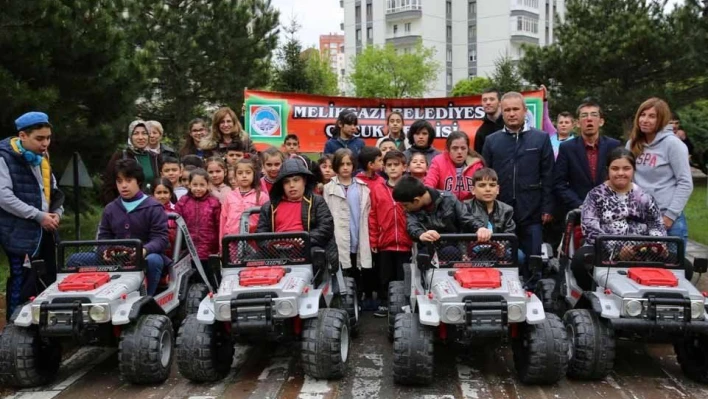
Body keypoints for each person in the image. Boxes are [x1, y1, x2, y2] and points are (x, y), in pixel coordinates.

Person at [482, 92, 554, 281]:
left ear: (524, 111)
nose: (512, 113)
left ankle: (533, 294)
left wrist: (547, 207)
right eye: (507, 110)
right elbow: (485, 177)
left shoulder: (541, 138)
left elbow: (548, 176)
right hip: (500, 213)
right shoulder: (492, 141)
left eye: (515, 109)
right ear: (502, 112)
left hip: (532, 211)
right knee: (502, 259)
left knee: (533, 260)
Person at [0, 112, 63, 319]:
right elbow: (4, 197)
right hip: (20, 234)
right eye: (39, 138)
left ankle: (45, 329)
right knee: (23, 282)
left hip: (45, 231)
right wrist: (38, 216)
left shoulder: (42, 158)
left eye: (48, 138)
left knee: (48, 280)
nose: (45, 143)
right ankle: (14, 329)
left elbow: (52, 190)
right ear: (22, 136)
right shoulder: (4, 157)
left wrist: (56, 213)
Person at [574, 148, 665, 290]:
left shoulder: (645, 197)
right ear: (608, 170)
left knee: (684, 265)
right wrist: (616, 250)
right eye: (615, 169)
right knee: (581, 260)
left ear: (633, 170)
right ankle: (591, 296)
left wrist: (657, 243)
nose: (621, 173)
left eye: (626, 168)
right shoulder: (595, 196)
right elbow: (590, 229)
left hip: (642, 248)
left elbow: (656, 224)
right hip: (602, 248)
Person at [627, 98, 693, 247]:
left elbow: (685, 183)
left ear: (662, 119)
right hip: (639, 219)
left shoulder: (673, 144)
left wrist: (669, 217)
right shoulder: (632, 144)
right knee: (640, 269)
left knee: (671, 270)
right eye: (642, 115)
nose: (645, 120)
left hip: (668, 221)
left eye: (652, 116)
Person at [98, 159, 169, 295]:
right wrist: (105, 251)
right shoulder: (110, 209)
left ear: (138, 181)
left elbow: (160, 238)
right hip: (116, 257)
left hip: (145, 256)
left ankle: (147, 297)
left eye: (128, 180)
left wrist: (145, 250)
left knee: (153, 260)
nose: (124, 186)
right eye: (119, 181)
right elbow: (104, 237)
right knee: (77, 259)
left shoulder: (153, 207)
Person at [256, 158, 337, 267]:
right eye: (286, 182)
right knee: (247, 262)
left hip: (307, 248)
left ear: (304, 181)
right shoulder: (269, 206)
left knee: (317, 255)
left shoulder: (317, 201)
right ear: (281, 185)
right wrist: (272, 246)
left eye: (296, 180)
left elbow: (326, 228)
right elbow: (261, 233)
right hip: (275, 253)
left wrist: (303, 240)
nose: (291, 185)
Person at [554, 101, 621, 214]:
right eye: (584, 115)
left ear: (601, 122)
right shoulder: (567, 148)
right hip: (578, 211)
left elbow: (621, 178)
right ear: (578, 123)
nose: (589, 119)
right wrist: (580, 204)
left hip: (610, 210)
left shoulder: (614, 146)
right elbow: (559, 183)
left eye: (594, 115)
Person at [323, 149, 372, 302]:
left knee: (359, 268)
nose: (345, 167)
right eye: (342, 164)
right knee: (342, 269)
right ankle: (345, 302)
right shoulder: (328, 188)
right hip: (338, 238)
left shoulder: (362, 188)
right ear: (336, 166)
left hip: (358, 234)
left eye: (348, 164)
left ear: (353, 165)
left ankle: (360, 300)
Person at [392, 176, 490, 251]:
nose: (404, 209)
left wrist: (480, 228)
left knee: (450, 251)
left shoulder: (449, 198)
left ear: (416, 200)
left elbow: (466, 217)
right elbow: (412, 226)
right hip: (429, 250)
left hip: (454, 250)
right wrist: (421, 234)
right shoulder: (411, 210)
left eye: (405, 205)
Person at [369, 150, 412, 317]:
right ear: (384, 168)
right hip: (385, 241)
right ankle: (384, 303)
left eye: (396, 165)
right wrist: (373, 239)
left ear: (404, 167)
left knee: (403, 276)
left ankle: (402, 305)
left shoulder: (410, 186)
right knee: (384, 275)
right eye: (389, 165)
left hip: (405, 241)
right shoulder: (378, 189)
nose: (393, 168)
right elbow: (373, 215)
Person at [465, 168, 524, 264]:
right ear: (473, 190)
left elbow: (509, 234)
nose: (488, 189)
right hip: (471, 250)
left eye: (492, 185)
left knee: (519, 255)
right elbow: (459, 232)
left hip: (496, 250)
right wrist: (465, 253)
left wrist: (502, 248)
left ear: (497, 190)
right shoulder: (464, 207)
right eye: (482, 185)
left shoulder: (507, 210)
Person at [354, 146, 386, 311]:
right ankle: (364, 295)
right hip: (361, 228)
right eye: (380, 160)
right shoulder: (357, 182)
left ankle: (379, 296)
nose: (383, 162)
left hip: (379, 229)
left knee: (377, 265)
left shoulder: (381, 181)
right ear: (370, 164)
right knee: (363, 264)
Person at [101, 120, 161, 205]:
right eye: (136, 133)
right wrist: (113, 209)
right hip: (126, 207)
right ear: (130, 136)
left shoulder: (154, 157)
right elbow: (108, 185)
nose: (141, 137)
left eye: (144, 133)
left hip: (150, 207)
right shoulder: (121, 156)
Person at [175, 168, 221, 262]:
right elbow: (176, 223)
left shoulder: (214, 203)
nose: (198, 188)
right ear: (189, 185)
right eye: (195, 185)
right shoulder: (183, 202)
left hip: (209, 250)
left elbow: (219, 225)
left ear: (208, 185)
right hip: (187, 250)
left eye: (202, 185)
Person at [424, 131, 484, 201]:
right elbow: (429, 186)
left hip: (470, 208)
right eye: (455, 148)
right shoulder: (438, 162)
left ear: (468, 149)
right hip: (445, 206)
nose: (459, 152)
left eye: (463, 148)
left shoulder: (476, 165)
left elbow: (482, 190)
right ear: (448, 149)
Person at [221, 158, 269, 237]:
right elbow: (223, 219)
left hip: (254, 240)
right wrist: (222, 243)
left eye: (248, 173)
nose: (244, 176)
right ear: (235, 176)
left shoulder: (262, 196)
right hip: (232, 240)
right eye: (240, 173)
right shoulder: (229, 196)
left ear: (254, 174)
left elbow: (267, 222)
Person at [151, 177, 178, 257]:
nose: (162, 196)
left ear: (170, 194)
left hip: (175, 251)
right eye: (159, 193)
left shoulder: (176, 210)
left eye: (165, 192)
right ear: (153, 194)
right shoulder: (148, 211)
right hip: (155, 250)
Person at [473, 88, 505, 154]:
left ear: (500, 102)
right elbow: (479, 158)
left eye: (492, 99)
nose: (488, 102)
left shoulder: (510, 124)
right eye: (484, 100)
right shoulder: (481, 132)